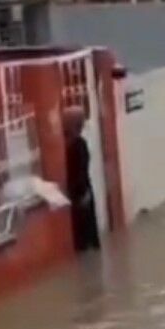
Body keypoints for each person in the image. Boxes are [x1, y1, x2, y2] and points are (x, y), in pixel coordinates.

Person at [63, 106, 101, 253]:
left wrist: (83, 192)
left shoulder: (78, 145)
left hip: (80, 190)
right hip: (78, 191)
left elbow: (82, 170)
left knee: (84, 230)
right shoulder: (70, 144)